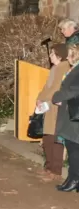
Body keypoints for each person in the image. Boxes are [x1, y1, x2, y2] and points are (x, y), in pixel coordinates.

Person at [37, 44, 70, 177]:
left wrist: (45, 100)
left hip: (57, 107)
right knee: (47, 137)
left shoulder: (64, 68)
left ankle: (55, 170)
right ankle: (49, 166)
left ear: (59, 55)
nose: (50, 56)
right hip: (48, 106)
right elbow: (47, 86)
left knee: (56, 139)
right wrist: (39, 99)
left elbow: (56, 88)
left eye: (52, 53)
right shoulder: (54, 69)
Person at [51, 43, 79, 192]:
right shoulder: (74, 69)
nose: (67, 57)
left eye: (70, 54)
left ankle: (74, 178)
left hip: (74, 116)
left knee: (74, 149)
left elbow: (75, 89)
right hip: (71, 114)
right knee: (73, 146)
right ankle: (72, 178)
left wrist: (57, 96)